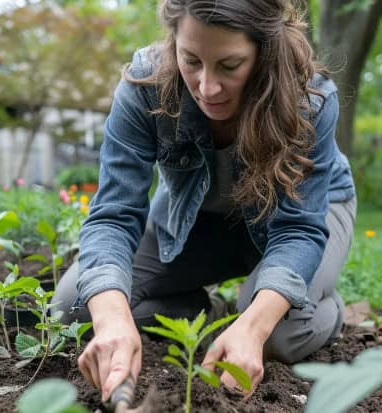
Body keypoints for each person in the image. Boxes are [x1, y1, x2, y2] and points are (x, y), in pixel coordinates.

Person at [51, 0, 356, 403]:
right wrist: (111, 320)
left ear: (265, 52)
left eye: (230, 66)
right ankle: (209, 313)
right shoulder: (145, 86)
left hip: (297, 218)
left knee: (280, 335)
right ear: (173, 39)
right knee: (76, 308)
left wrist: (254, 327)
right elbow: (113, 215)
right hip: (194, 220)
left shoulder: (310, 99)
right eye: (190, 60)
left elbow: (298, 229)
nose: (207, 87)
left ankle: (323, 305)